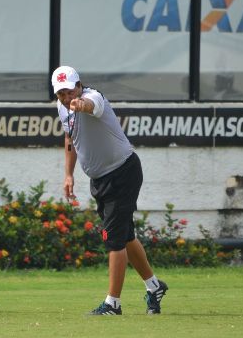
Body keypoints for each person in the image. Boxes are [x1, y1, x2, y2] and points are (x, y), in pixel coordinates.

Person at [51, 65, 167, 315]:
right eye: (61, 94)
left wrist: (81, 105)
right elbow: (70, 138)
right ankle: (154, 286)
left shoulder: (94, 97)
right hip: (101, 179)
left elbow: (91, 106)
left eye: (70, 92)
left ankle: (113, 303)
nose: (66, 98)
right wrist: (69, 174)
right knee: (125, 236)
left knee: (113, 239)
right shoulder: (61, 107)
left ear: (79, 86)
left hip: (123, 173)